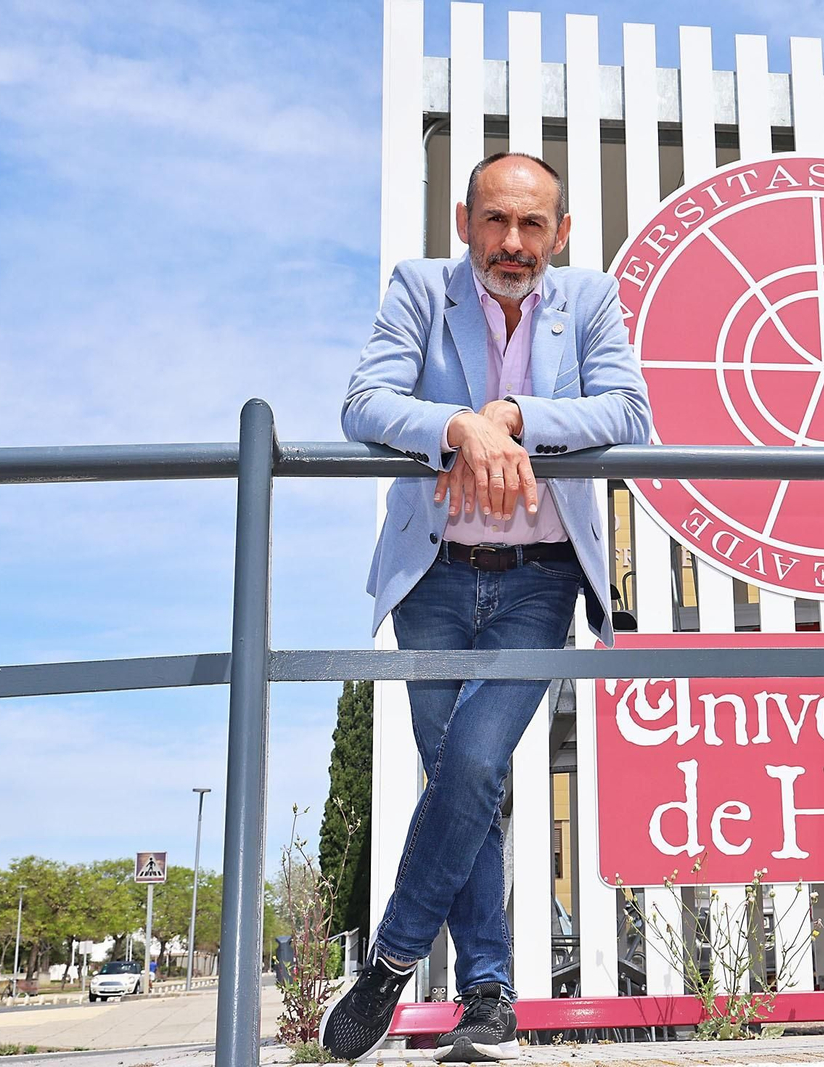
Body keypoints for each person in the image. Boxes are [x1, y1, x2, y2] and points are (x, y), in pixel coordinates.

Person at [320, 152, 652, 1063]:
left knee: (471, 762)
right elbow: (364, 404)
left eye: (533, 225)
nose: (514, 243)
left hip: (540, 577)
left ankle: (387, 965)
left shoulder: (587, 299)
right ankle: (488, 996)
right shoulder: (422, 290)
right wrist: (453, 426)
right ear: (465, 222)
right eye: (497, 222)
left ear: (561, 232)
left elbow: (628, 411)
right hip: (431, 575)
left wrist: (512, 413)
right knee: (466, 790)